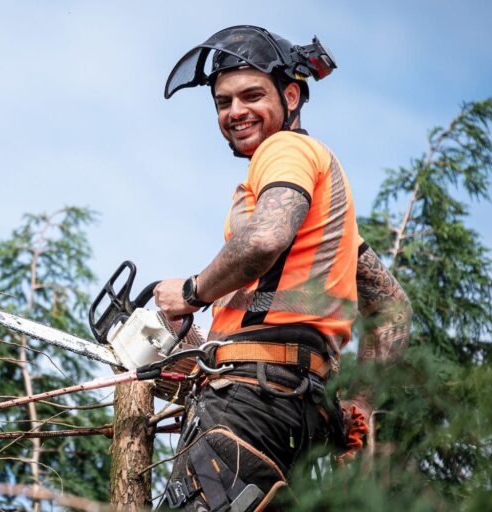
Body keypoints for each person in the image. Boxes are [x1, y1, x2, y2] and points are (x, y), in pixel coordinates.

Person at [152, 26, 411, 511]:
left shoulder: (285, 149)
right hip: (298, 413)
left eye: (252, 96)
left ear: (290, 96)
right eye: (223, 102)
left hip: (252, 401)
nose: (235, 111)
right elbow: (392, 308)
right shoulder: (328, 215)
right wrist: (359, 405)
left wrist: (190, 292)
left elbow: (264, 239)